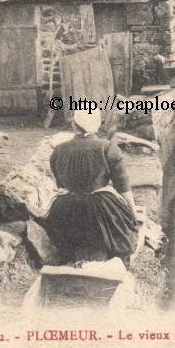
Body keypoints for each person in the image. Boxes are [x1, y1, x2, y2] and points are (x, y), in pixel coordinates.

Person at [44, 110, 138, 264]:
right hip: (100, 207)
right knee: (123, 232)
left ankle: (71, 253)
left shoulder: (59, 149)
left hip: (67, 206)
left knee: (62, 235)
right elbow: (123, 187)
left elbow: (60, 184)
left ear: (74, 125)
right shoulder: (107, 148)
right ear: (98, 125)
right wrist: (132, 213)